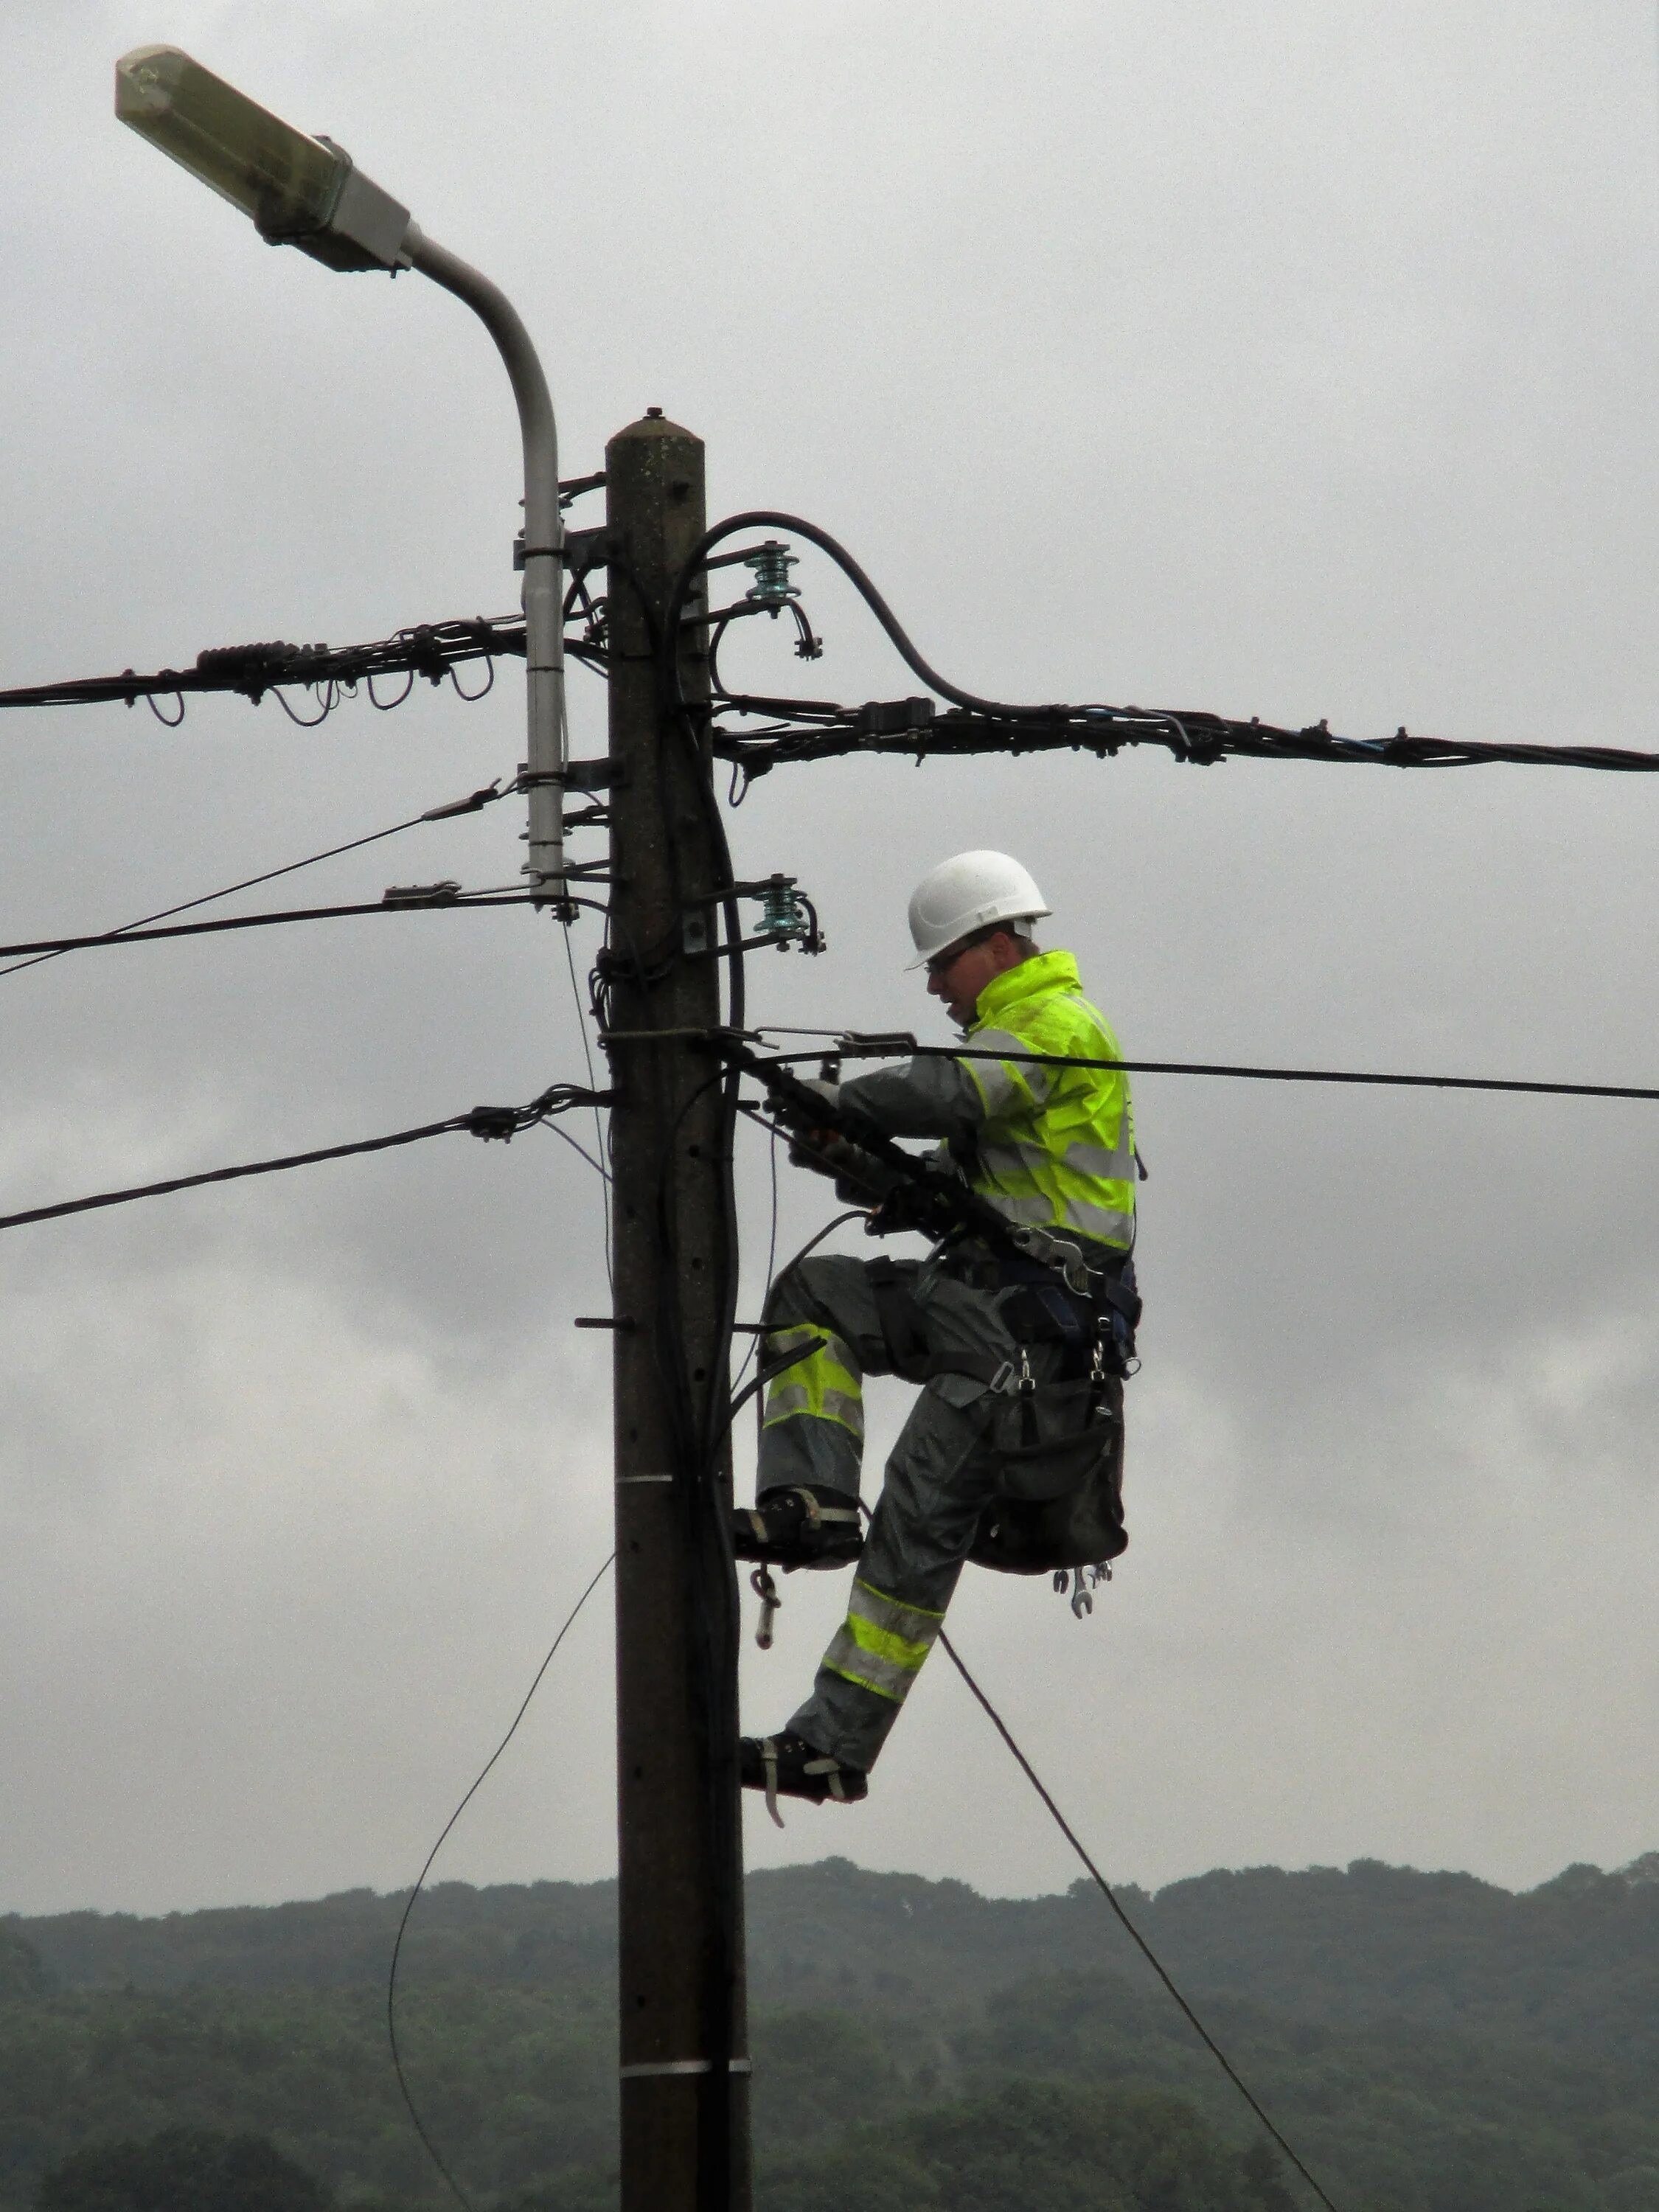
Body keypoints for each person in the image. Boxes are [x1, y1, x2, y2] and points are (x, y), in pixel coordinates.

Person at [735, 850, 1138, 1814]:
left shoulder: (1052, 1023)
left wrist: (843, 1100)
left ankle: (829, 1748)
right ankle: (811, 1503)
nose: (933, 986)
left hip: (1024, 1343)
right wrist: (853, 1156)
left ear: (995, 944)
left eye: (941, 964)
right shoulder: (1009, 1036)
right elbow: (959, 1193)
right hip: (980, 1298)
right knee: (815, 1292)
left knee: (917, 1527)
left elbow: (955, 1094)